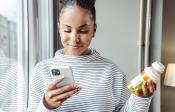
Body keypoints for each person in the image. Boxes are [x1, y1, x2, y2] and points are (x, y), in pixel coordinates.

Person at [28, 0, 156, 111]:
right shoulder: (42, 70)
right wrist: (46, 106)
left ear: (94, 30)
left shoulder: (111, 71)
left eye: (83, 30)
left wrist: (141, 98)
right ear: (59, 28)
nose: (74, 39)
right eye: (67, 30)